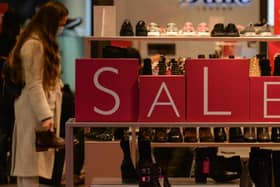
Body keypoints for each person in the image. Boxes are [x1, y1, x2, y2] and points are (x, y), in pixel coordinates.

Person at [8, 1, 68, 187]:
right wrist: (45, 116)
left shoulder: (39, 43)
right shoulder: (34, 45)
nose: (62, 28)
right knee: (29, 166)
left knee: (33, 165)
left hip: (37, 108)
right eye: (61, 24)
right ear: (52, 23)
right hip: (33, 110)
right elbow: (34, 84)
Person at [0, 8, 21, 184]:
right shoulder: (19, 43)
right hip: (15, 93)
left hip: (3, 92)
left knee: (2, 133)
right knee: (16, 133)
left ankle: (1, 173)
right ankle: (14, 171)